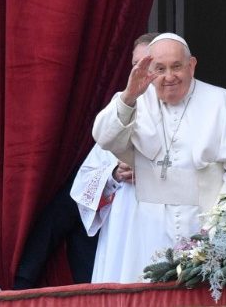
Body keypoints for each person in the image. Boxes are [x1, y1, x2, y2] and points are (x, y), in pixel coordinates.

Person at [91, 32, 226, 283]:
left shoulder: (224, 102)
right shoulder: (135, 101)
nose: (169, 76)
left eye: (176, 66)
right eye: (160, 69)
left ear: (192, 65)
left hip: (204, 225)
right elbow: (105, 138)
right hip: (147, 231)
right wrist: (129, 95)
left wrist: (221, 230)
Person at [70, 32, 157, 283]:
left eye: (149, 63)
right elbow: (84, 181)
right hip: (124, 220)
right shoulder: (120, 107)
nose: (141, 70)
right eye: (135, 64)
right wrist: (114, 174)